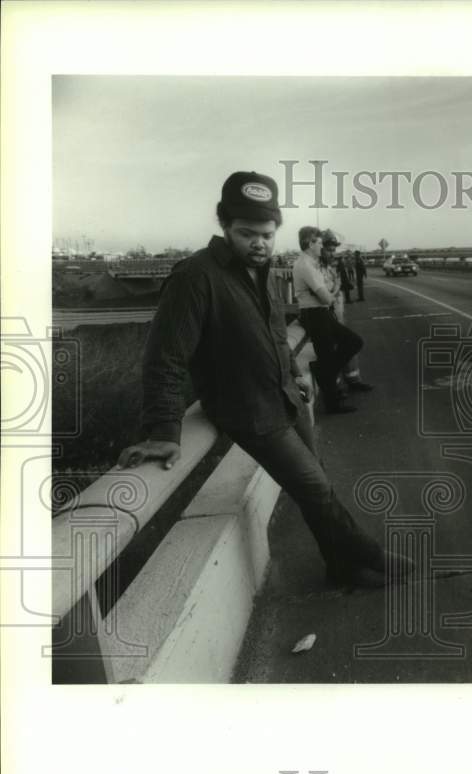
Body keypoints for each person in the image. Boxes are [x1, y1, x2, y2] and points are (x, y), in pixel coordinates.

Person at [115, 170, 412, 588]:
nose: (259, 242)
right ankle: (368, 553)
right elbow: (164, 359)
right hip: (248, 409)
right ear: (224, 225)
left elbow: (274, 330)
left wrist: (293, 372)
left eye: (267, 234)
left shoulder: (262, 270)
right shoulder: (194, 277)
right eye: (247, 233)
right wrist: (164, 429)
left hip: (284, 395)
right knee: (313, 486)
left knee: (318, 481)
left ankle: (339, 565)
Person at [291, 226, 366, 415]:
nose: (321, 246)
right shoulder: (306, 265)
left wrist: (329, 292)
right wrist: (333, 292)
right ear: (309, 244)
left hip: (319, 313)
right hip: (315, 314)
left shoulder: (310, 263)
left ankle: (323, 373)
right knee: (349, 343)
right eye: (318, 242)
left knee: (346, 345)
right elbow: (326, 298)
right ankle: (332, 401)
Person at [320, 231, 373, 393]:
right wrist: (336, 288)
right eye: (329, 250)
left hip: (335, 314)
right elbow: (327, 294)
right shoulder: (315, 268)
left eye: (333, 250)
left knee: (345, 344)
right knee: (344, 344)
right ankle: (334, 385)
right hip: (325, 316)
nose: (333, 254)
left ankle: (352, 380)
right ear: (319, 249)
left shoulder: (328, 267)